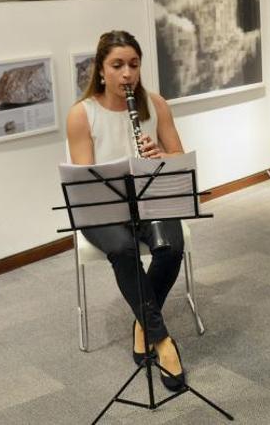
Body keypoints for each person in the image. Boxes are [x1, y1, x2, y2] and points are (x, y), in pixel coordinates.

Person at [66, 30, 187, 392]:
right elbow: (86, 180)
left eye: (133, 65)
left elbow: (180, 159)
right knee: (123, 249)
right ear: (101, 70)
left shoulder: (155, 105)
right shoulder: (82, 114)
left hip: (151, 198)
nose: (126, 74)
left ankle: (142, 323)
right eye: (117, 65)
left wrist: (159, 157)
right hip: (103, 208)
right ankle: (163, 341)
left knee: (172, 248)